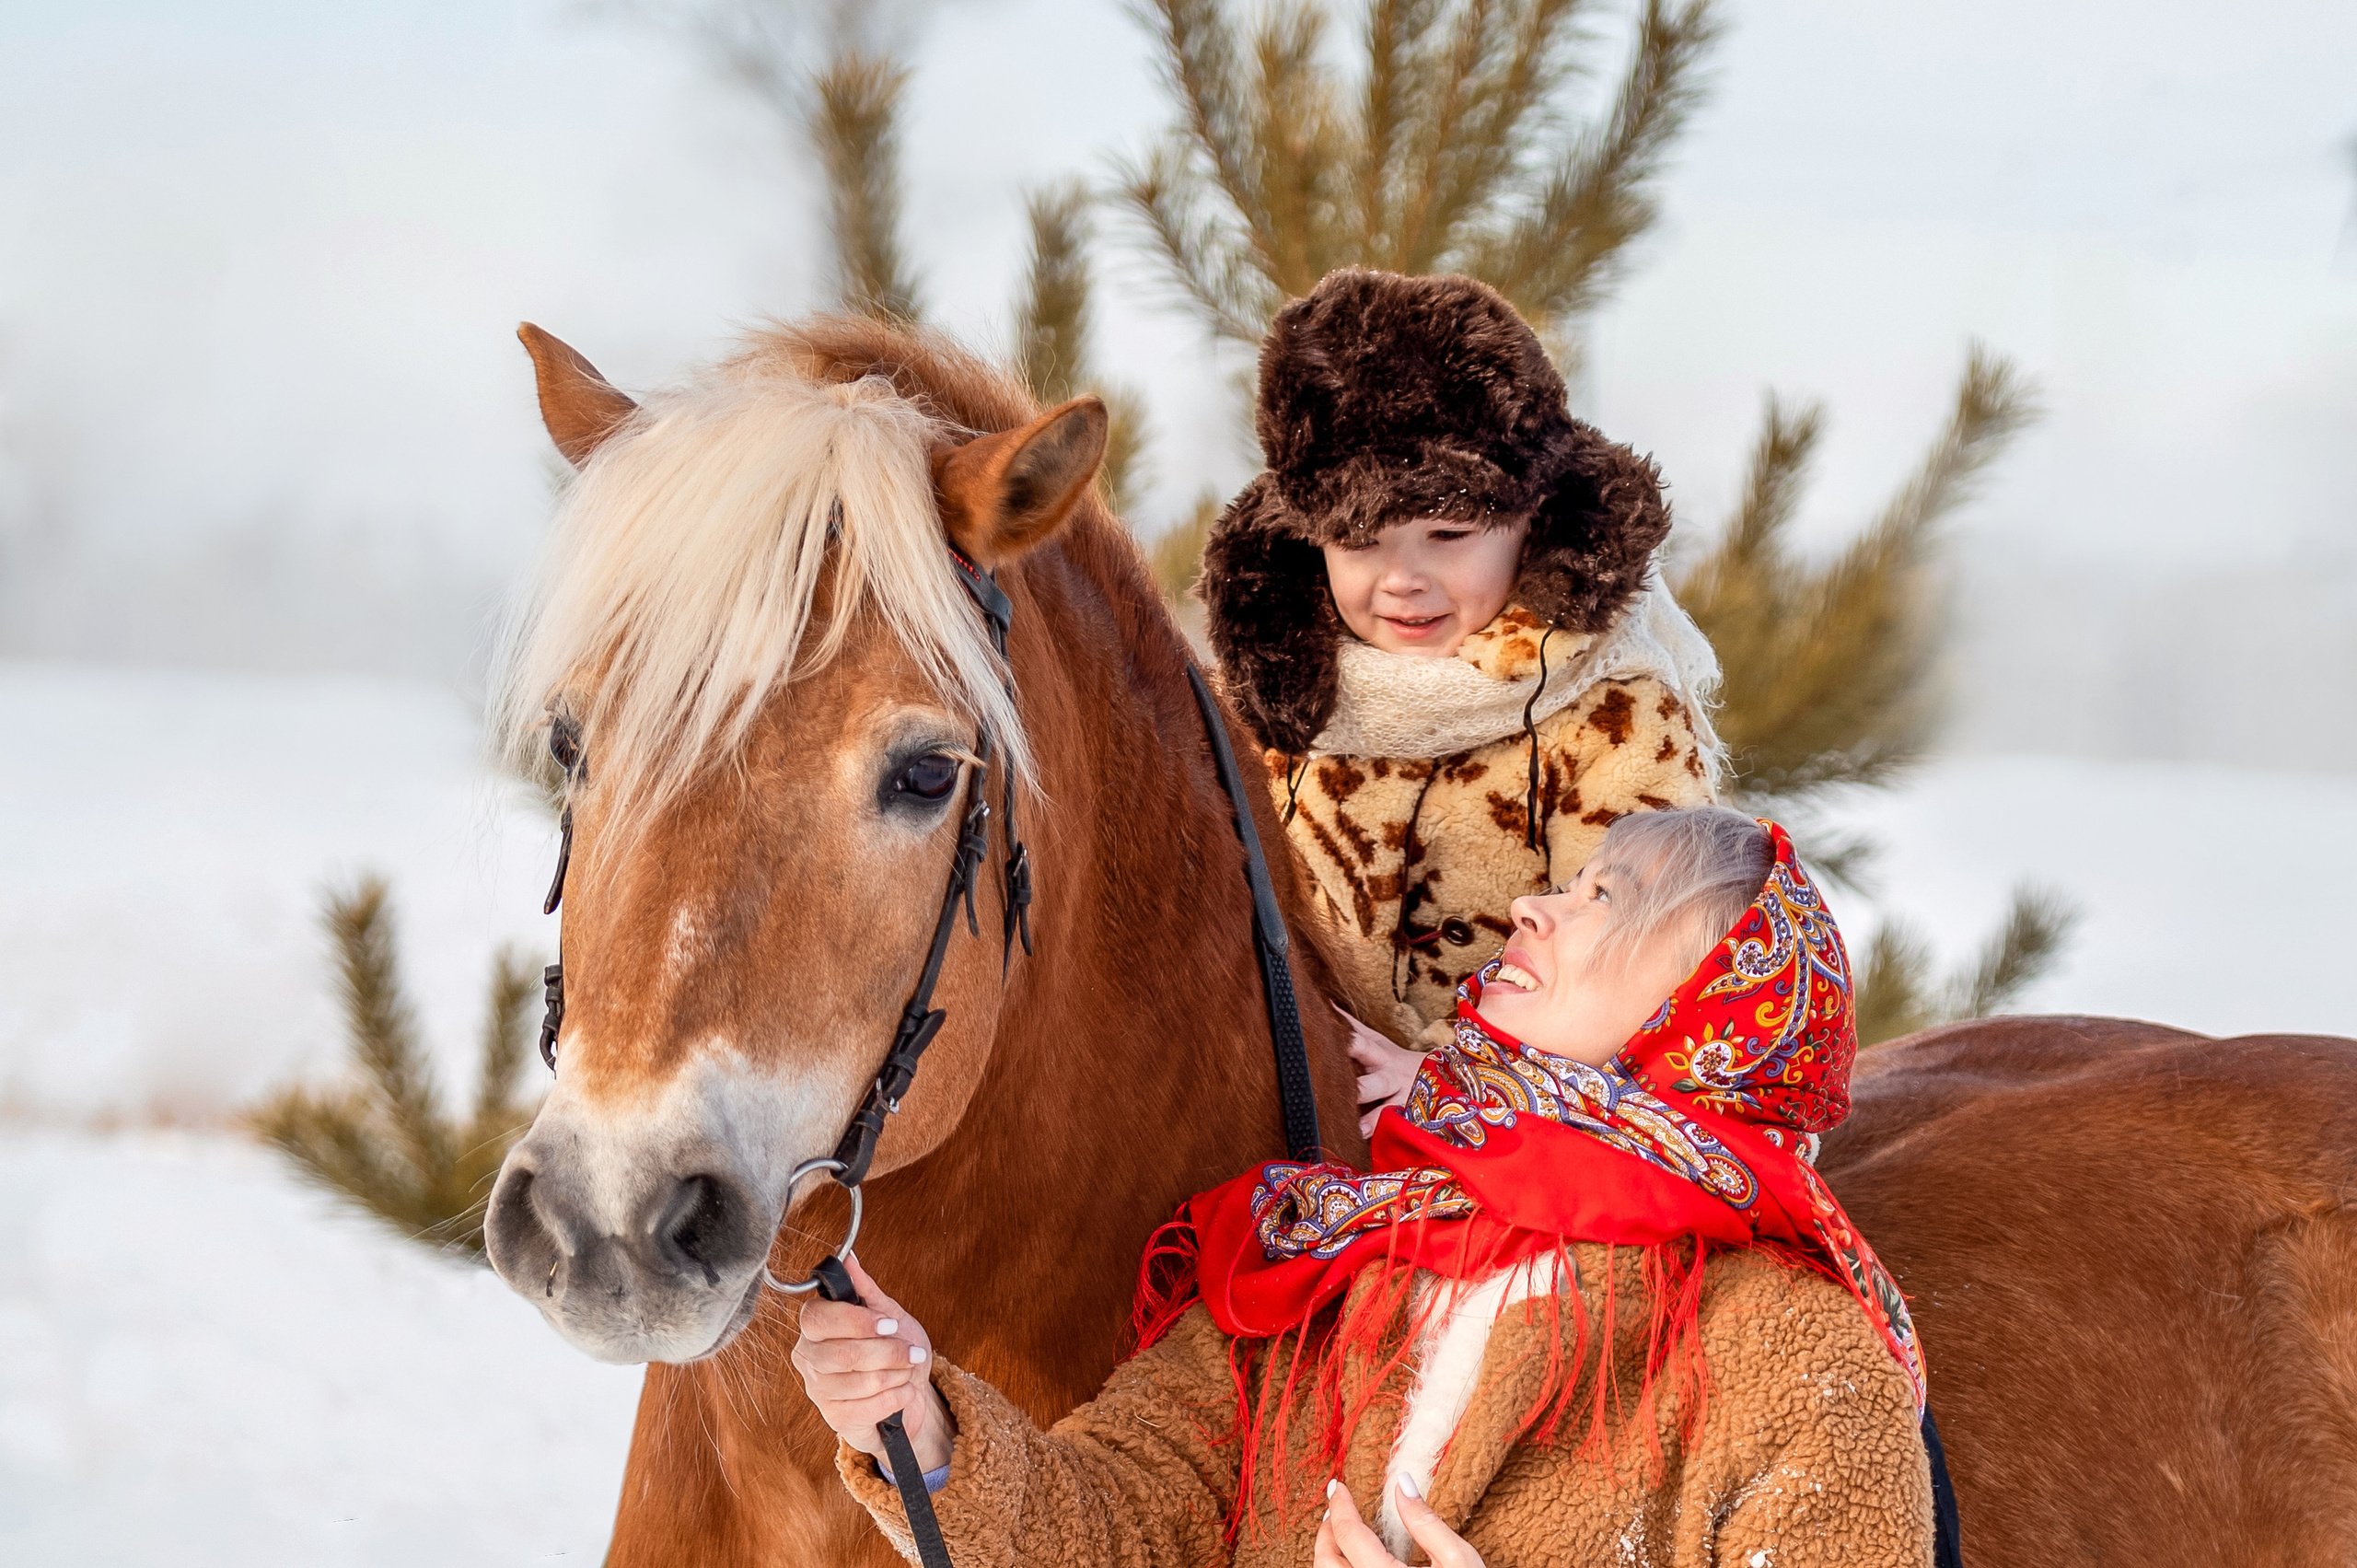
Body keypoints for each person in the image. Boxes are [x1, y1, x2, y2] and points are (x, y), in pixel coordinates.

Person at [793, 807, 1935, 1568]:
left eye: (1607, 897)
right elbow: (1121, 1519)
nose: (1537, 904)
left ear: (1718, 1008)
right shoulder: (1338, 1252)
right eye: (1569, 878)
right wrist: (922, 1426)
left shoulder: (1797, 1357)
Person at [1196, 268, 1723, 1129]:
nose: (1404, 580)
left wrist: (1453, 1085)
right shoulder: (1262, 710)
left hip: (1517, 1157)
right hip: (1270, 1117)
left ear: (1530, 518)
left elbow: (1651, 984)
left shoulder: (1612, 721)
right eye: (1360, 542)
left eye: (1448, 534)